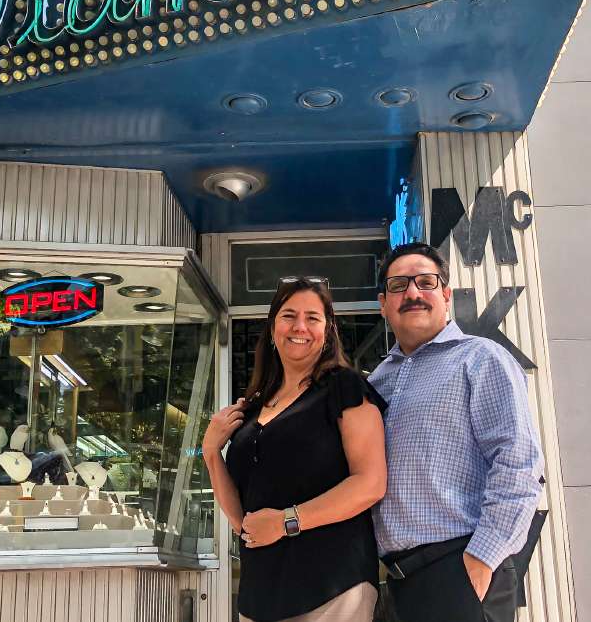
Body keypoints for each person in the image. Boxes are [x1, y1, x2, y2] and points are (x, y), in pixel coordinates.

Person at [369, 243, 544, 622]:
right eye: (399, 285)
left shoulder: (481, 358)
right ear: (384, 303)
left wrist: (480, 561)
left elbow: (518, 465)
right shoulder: (377, 381)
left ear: (445, 295)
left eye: (425, 282)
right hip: (397, 582)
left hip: (459, 568)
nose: (413, 293)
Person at [203, 277, 388, 622]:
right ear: (273, 326)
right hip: (260, 594)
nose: (299, 326)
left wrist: (287, 522)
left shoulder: (344, 386)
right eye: (289, 315)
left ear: (328, 329)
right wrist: (211, 452)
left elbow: (371, 483)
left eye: (312, 318)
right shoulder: (255, 406)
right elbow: (243, 522)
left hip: (330, 588)